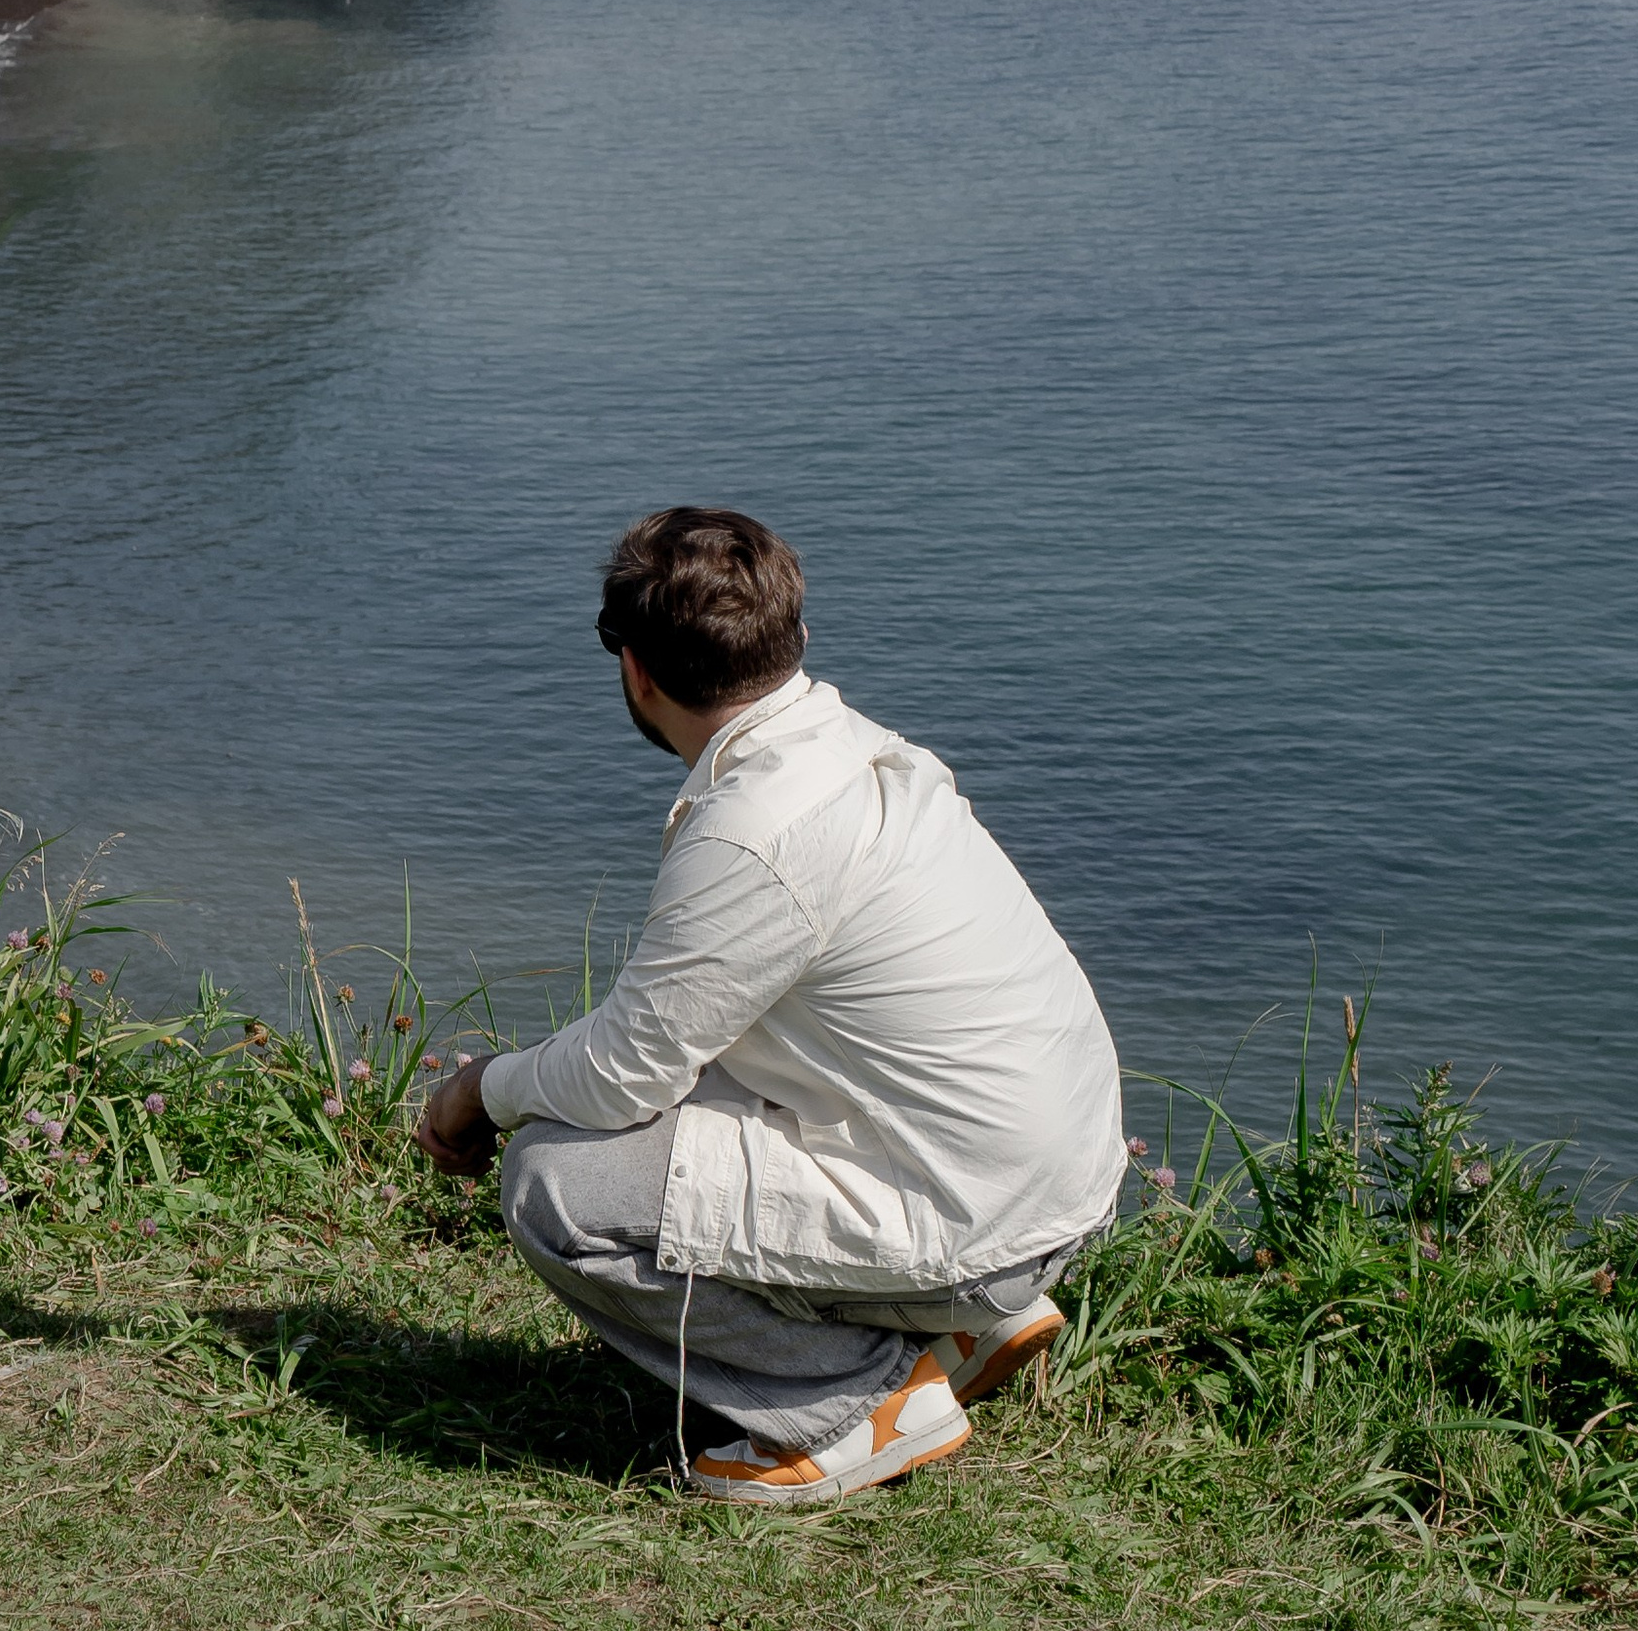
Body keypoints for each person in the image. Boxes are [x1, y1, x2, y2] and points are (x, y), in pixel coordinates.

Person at [414, 506, 1124, 1508]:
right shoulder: (856, 750)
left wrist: (481, 1089)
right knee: (687, 1089)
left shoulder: (753, 830)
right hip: (1046, 1186)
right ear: (794, 637)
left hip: (984, 1227)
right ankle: (959, 1327)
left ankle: (856, 1403)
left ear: (636, 674)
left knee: (553, 1183)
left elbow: (621, 1076)